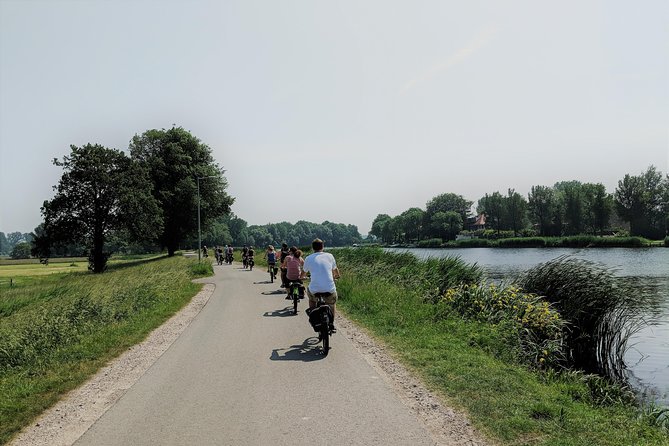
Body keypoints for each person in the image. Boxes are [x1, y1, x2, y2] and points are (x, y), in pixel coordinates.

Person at [302, 239, 340, 332]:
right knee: (331, 304)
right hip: (329, 289)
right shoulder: (330, 256)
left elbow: (303, 273)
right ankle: (331, 323)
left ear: (312, 247)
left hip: (315, 290)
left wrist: (302, 277)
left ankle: (313, 314)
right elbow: (336, 271)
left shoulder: (308, 258)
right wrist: (337, 276)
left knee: (311, 299)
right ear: (323, 246)